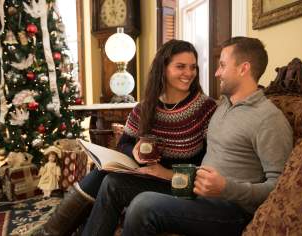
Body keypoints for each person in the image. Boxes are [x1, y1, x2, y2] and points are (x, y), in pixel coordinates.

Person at [82, 37, 293, 236]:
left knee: (142, 205)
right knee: (113, 184)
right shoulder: (223, 107)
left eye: (222, 65)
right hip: (195, 192)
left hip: (231, 210)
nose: (216, 73)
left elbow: (281, 188)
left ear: (243, 68)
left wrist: (226, 188)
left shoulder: (268, 119)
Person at [34, 39, 217, 236]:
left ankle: (50, 232)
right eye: (181, 66)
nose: (189, 73)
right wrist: (135, 153)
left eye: (193, 67)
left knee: (112, 183)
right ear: (163, 68)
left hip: (180, 185)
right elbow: (124, 145)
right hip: (148, 177)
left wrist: (164, 172)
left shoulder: (206, 109)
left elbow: (210, 163)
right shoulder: (145, 107)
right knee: (103, 173)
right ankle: (52, 232)